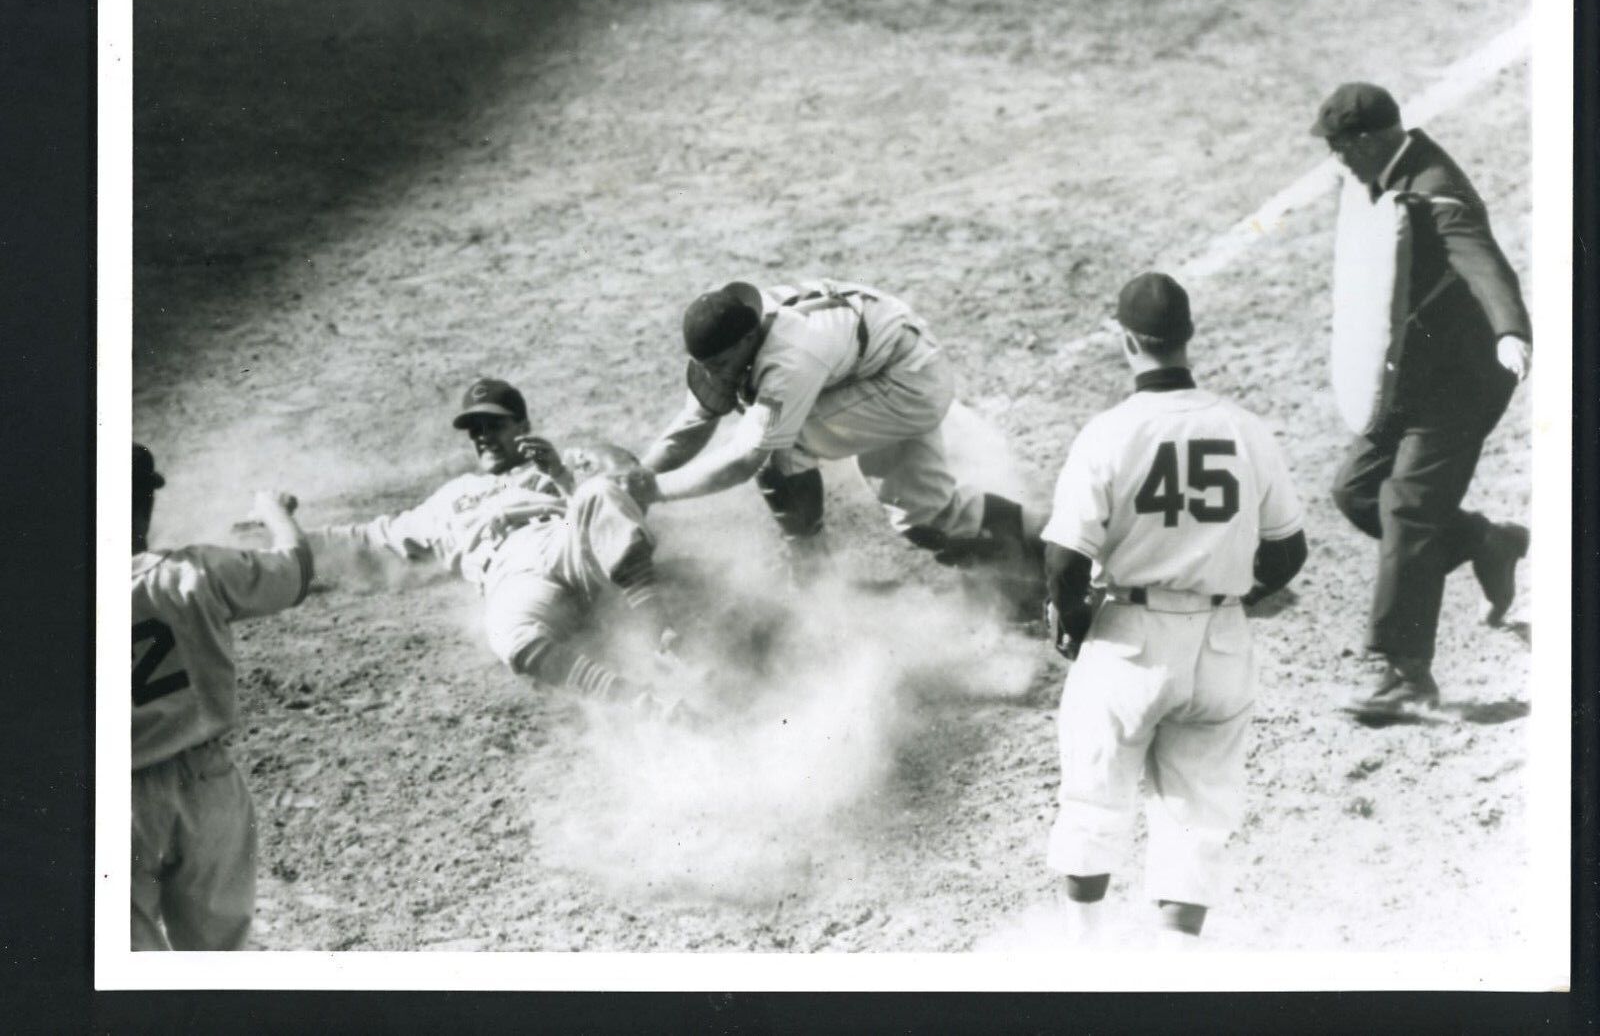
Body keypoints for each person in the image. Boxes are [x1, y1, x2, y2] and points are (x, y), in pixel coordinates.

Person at [1041, 273, 1307, 943]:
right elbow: (1288, 550)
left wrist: (1072, 621)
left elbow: (1065, 559)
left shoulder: (1109, 432)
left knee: (1094, 805)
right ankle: (1172, 976)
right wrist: (1235, 595)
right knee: (1197, 818)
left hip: (1129, 640)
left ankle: (1083, 960)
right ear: (1188, 337)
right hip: (1220, 644)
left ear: (1125, 341)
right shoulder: (1245, 428)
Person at [1312, 82, 1532, 721]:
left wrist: (1511, 329)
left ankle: (1405, 671)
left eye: (1341, 147)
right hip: (1406, 377)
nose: (1337, 161)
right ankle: (1485, 542)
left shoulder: (1436, 185)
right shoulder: (1384, 173)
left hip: (1462, 384)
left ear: (1371, 139)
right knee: (1357, 492)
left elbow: (1482, 261)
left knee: (1407, 506)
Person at [308, 377, 690, 720]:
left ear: (523, 427)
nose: (483, 436)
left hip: (562, 540)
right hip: (509, 574)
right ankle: (641, 704)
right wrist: (287, 538)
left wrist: (560, 474)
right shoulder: (452, 496)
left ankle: (664, 639)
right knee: (509, 635)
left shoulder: (562, 460)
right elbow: (370, 536)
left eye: (495, 425)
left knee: (599, 492)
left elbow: (627, 489)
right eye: (475, 429)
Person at [630, 278, 1042, 595]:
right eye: (705, 365)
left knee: (777, 443)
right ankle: (1048, 537)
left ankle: (812, 569)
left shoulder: (789, 357)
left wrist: (656, 490)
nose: (713, 374)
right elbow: (694, 421)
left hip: (905, 383)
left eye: (720, 363)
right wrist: (633, 477)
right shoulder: (739, 326)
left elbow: (745, 459)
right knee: (925, 518)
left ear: (749, 338)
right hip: (883, 363)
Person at [131, 443, 314, 950]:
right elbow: (296, 570)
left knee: (125, 967)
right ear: (145, 505)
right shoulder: (195, 572)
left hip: (115, 799)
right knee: (218, 962)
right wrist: (276, 513)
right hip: (205, 783)